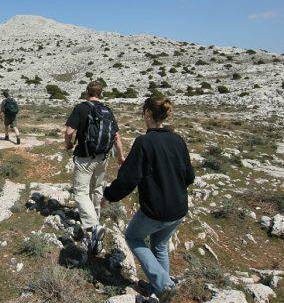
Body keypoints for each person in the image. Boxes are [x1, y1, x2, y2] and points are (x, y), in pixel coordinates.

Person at [102, 97, 195, 302]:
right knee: (160, 245)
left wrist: (109, 195)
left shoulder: (144, 142)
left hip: (156, 210)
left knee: (133, 237)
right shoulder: (178, 140)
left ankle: (164, 284)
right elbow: (190, 176)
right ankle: (158, 291)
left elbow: (128, 179)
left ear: (148, 115)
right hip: (179, 208)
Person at [65, 80, 124, 255]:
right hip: (102, 157)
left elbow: (69, 131)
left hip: (84, 156)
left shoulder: (81, 108)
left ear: (87, 92)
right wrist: (121, 156)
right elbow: (116, 135)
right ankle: (96, 218)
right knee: (97, 188)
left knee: (80, 192)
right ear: (101, 93)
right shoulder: (107, 110)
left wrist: (68, 145)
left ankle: (93, 225)